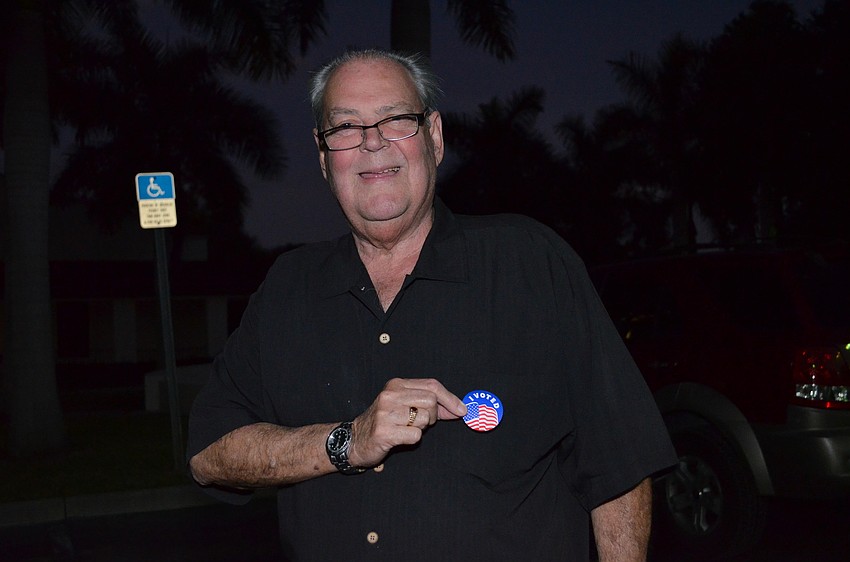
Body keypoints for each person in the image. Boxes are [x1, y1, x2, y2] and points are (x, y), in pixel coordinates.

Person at [187, 48, 675, 561]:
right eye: (346, 128)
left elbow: (618, 462)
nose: (372, 142)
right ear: (323, 156)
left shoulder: (530, 263)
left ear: (434, 137)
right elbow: (208, 455)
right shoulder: (288, 288)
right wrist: (345, 443)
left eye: (396, 120)